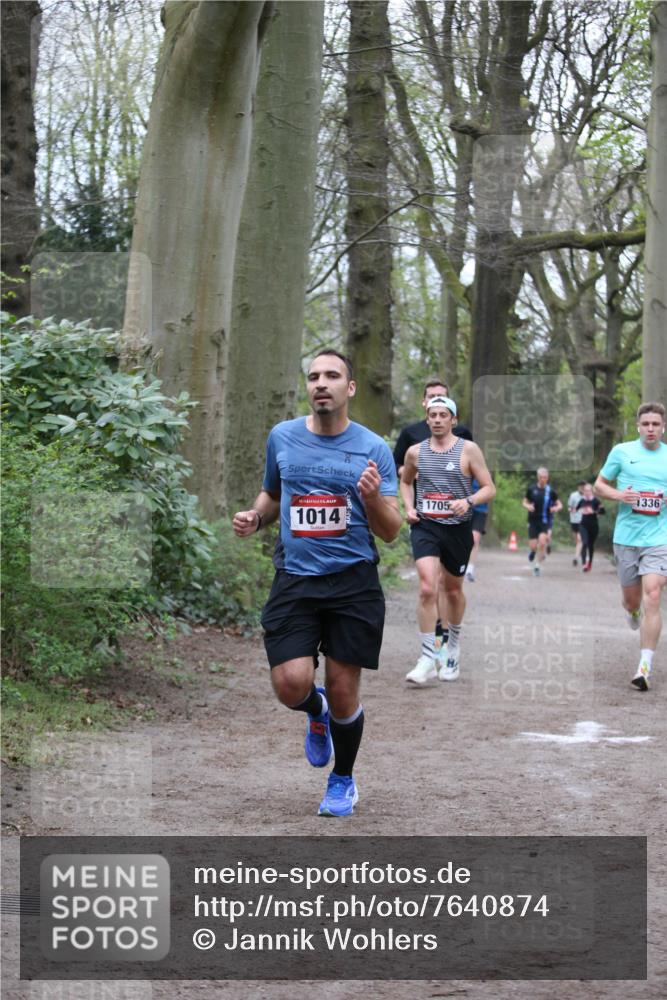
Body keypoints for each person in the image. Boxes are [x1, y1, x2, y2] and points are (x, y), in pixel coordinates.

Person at [233, 349, 401, 815]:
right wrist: (256, 517)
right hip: (295, 579)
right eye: (313, 376)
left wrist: (370, 499)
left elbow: (390, 531)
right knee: (290, 683)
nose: (320, 383)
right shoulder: (282, 437)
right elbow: (272, 492)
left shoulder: (372, 449)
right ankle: (315, 712)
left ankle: (342, 780)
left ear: (349, 388)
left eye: (332, 376)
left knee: (346, 690)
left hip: (353, 583)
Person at [400, 395, 495, 684]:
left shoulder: (469, 450)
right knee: (428, 587)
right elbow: (405, 481)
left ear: (453, 420)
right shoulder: (415, 452)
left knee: (452, 591)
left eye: (443, 415)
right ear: (427, 419)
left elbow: (489, 488)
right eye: (433, 415)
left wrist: (468, 500)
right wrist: (409, 507)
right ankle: (428, 657)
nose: (438, 420)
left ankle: (452, 646)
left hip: (457, 530)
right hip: (426, 526)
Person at [393, 378, 472, 652]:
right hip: (424, 516)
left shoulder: (463, 436)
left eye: (442, 397)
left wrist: (467, 501)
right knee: (429, 583)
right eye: (431, 398)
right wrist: (408, 491)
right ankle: (435, 637)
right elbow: (398, 468)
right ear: (424, 403)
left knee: (448, 585)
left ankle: (449, 633)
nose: (436, 403)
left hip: (455, 520)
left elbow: (473, 471)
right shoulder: (411, 435)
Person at [594, 402, 667, 691]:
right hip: (627, 538)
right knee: (632, 601)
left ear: (663, 427)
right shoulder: (622, 452)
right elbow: (599, 485)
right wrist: (619, 495)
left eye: (656, 424)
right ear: (638, 426)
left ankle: (644, 667)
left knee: (653, 595)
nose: (650, 429)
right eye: (646, 424)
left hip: (659, 539)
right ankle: (632, 612)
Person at [522, 468, 562, 576]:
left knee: (543, 543)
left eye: (544, 477)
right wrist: (528, 506)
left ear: (547, 478)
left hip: (545, 521)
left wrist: (555, 508)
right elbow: (524, 502)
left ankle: (537, 566)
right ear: (537, 477)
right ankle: (533, 551)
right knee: (533, 545)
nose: (542, 479)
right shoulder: (531, 489)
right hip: (533, 521)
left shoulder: (551, 491)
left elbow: (560, 505)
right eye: (540, 477)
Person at [576, 483, 604, 572]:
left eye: (588, 491)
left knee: (591, 545)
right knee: (584, 543)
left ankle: (590, 563)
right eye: (585, 491)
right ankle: (584, 564)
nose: (587, 492)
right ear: (583, 492)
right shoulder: (582, 501)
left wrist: (594, 512)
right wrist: (574, 510)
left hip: (593, 525)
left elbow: (603, 511)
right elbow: (575, 509)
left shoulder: (596, 501)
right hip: (583, 525)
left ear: (591, 491)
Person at [465, 477, 488, 582]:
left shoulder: (484, 473)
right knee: (462, 540)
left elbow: (490, 492)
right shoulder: (464, 470)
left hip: (480, 511)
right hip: (464, 510)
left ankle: (470, 569)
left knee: (474, 540)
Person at [568, 480, 587, 566]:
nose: (582, 487)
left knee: (580, 540)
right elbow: (569, 507)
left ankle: (576, 557)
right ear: (578, 487)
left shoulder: (588, 496)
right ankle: (581, 553)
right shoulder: (573, 495)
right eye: (581, 486)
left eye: (584, 486)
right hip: (574, 521)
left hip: (583, 521)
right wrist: (571, 510)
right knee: (577, 541)